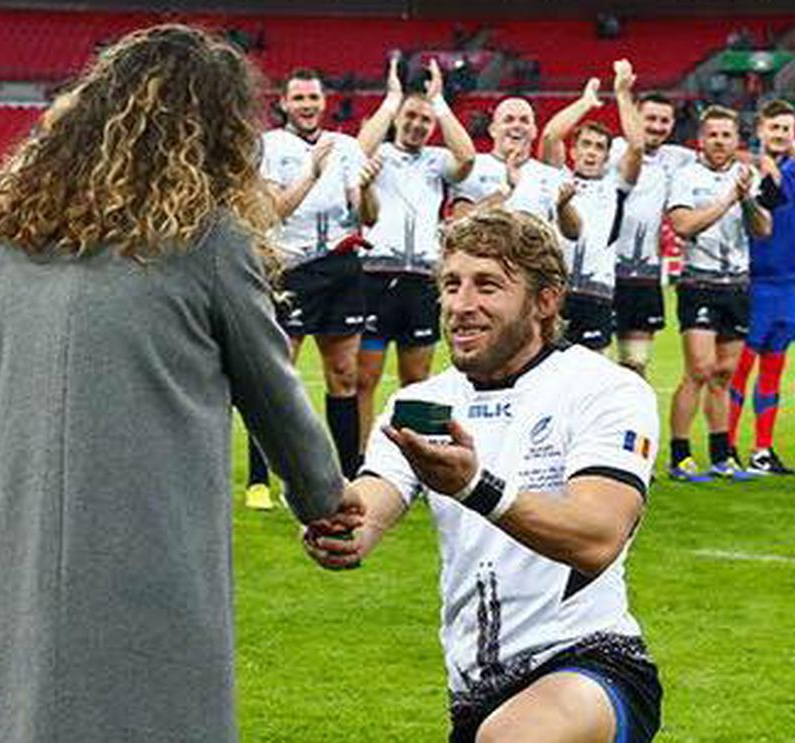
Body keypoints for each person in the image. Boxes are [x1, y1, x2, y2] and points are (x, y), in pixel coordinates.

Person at [0, 25, 357, 742]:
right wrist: (324, 500)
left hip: (18, 581)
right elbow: (274, 396)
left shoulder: (8, 247)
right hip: (151, 570)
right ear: (212, 131)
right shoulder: (209, 241)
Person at [305, 208, 663, 743]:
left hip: (592, 662)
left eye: (487, 286)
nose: (461, 305)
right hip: (477, 696)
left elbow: (597, 536)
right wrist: (335, 525)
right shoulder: (422, 402)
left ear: (547, 300)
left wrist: (476, 487)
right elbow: (367, 511)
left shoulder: (604, 390)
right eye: (451, 285)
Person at [245, 66, 372, 509]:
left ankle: (351, 475)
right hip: (292, 270)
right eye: (298, 98)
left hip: (341, 267)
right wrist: (313, 174)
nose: (306, 106)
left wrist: (367, 193)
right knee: (277, 375)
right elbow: (272, 212)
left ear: (325, 101)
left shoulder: (348, 146)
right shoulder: (271, 147)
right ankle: (260, 480)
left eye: (313, 98)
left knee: (344, 375)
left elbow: (363, 212)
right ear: (283, 103)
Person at [354, 57, 476, 450]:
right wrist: (391, 99)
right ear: (398, 117)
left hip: (423, 280)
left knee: (418, 380)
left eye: (425, 120)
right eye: (411, 116)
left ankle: (419, 462)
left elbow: (468, 158)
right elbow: (358, 148)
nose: (417, 124)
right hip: (375, 277)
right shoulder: (380, 155)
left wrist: (439, 103)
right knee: (364, 378)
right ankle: (361, 456)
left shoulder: (437, 161)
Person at [665, 105, 774, 481]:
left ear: (737, 140)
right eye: (713, 134)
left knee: (725, 375)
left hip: (738, 285)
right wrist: (727, 199)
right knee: (698, 369)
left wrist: (745, 199)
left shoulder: (749, 176)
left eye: (727, 135)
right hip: (699, 282)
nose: (720, 141)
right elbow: (682, 225)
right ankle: (679, 455)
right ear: (701, 139)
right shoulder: (686, 176)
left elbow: (763, 230)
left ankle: (722, 455)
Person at [726, 99, 795, 476]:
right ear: (760, 131)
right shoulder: (748, 171)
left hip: (792, 284)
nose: (780, 135)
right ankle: (725, 446)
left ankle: (763, 449)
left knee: (774, 371)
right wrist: (763, 165)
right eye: (774, 128)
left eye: (786, 129)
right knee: (740, 370)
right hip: (756, 282)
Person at [539, 62, 644, 351]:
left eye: (599, 147)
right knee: (543, 375)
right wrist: (585, 102)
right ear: (573, 151)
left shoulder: (616, 186)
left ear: (607, 156)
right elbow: (550, 136)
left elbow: (637, 146)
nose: (591, 151)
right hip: (554, 294)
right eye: (585, 144)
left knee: (592, 381)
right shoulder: (557, 179)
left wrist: (622, 94)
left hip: (595, 296)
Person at [610, 92, 696, 378]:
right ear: (635, 116)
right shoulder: (611, 150)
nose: (658, 126)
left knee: (635, 367)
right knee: (592, 366)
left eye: (664, 120)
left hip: (644, 276)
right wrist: (622, 93)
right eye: (651, 118)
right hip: (602, 274)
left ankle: (630, 422)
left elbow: (721, 155)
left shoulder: (678, 158)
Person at [450, 96, 580, 241]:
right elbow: (459, 225)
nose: (516, 125)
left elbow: (574, 233)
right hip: (484, 260)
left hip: (534, 261)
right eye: (508, 120)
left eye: (524, 120)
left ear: (534, 131)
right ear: (493, 130)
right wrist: (506, 191)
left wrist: (563, 207)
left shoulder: (552, 175)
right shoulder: (472, 166)